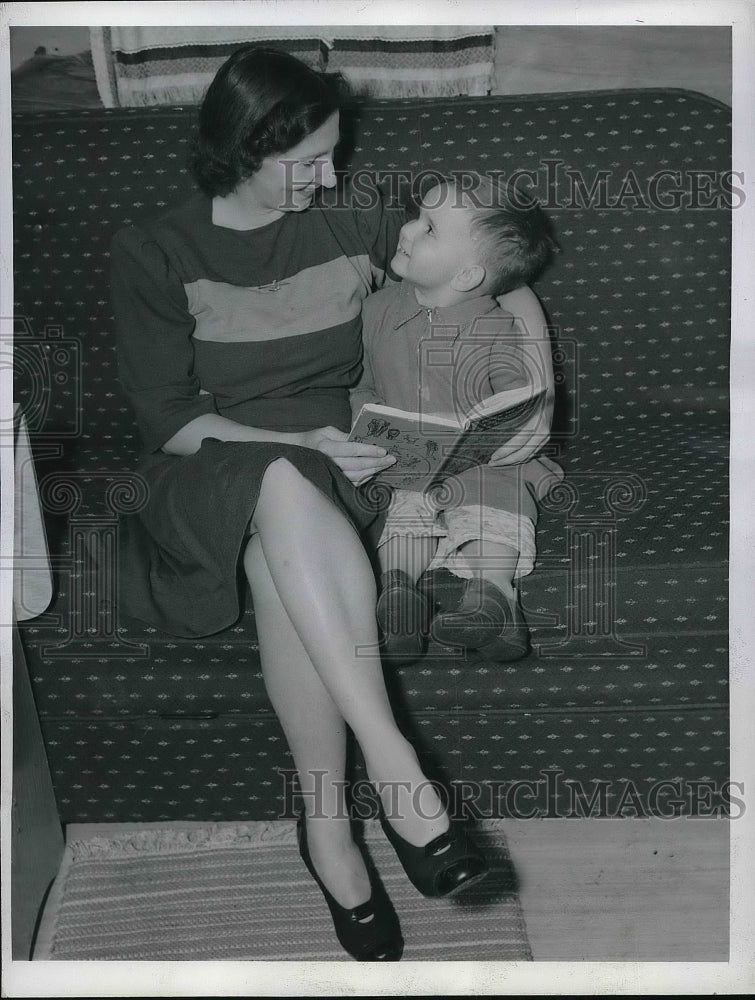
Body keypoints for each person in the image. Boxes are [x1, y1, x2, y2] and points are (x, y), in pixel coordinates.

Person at [110, 47, 493, 963]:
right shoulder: (156, 250)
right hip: (208, 464)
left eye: (334, 152)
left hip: (343, 469)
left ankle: (328, 831)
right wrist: (294, 446)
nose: (332, 176)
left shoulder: (354, 217)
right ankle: (393, 762)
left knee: (279, 548)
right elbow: (166, 419)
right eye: (307, 161)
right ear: (241, 148)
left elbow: (476, 266)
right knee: (278, 478)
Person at [350, 173, 564, 665]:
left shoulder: (497, 328)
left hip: (482, 460)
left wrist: (501, 428)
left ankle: (492, 598)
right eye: (416, 217)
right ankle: (398, 597)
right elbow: (360, 383)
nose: (407, 230)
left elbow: (515, 405)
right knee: (402, 511)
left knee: (494, 499)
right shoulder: (377, 311)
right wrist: (367, 421)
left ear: (467, 276)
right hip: (404, 457)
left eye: (428, 229)